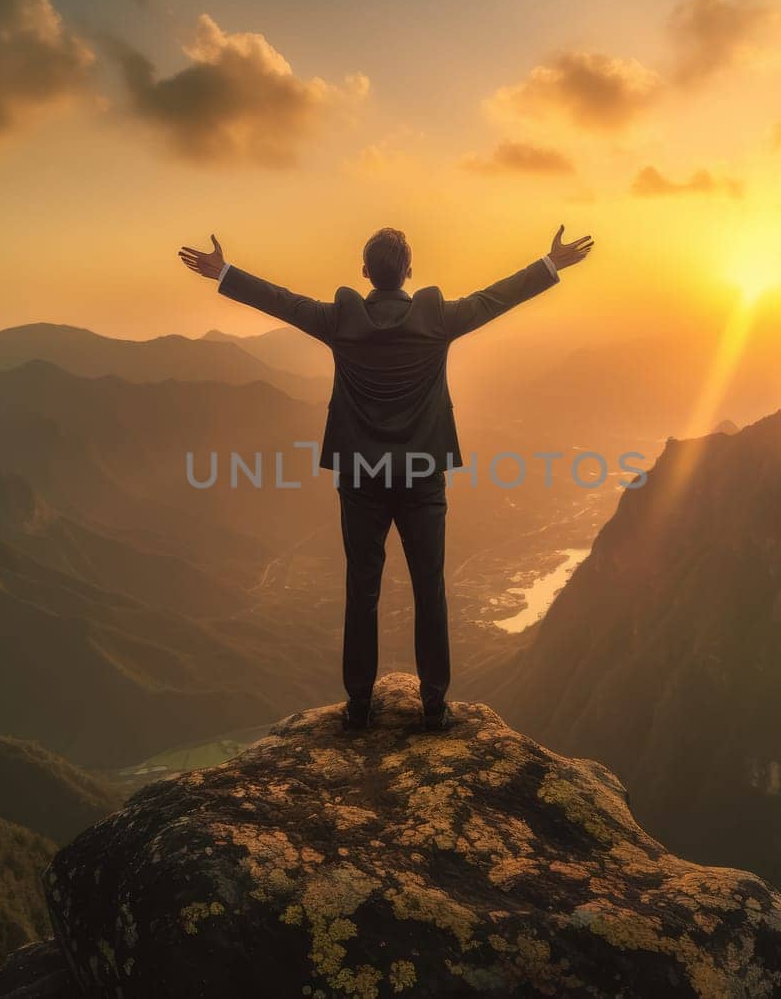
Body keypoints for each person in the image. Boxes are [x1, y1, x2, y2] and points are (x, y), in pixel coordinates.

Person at [179, 226, 594, 731]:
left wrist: (223, 271)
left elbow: (281, 302)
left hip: (361, 477)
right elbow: (494, 298)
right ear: (410, 271)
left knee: (362, 589)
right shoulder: (436, 318)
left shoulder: (341, 320)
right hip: (423, 477)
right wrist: (550, 264)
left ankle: (358, 707)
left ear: (364, 271)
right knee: (430, 589)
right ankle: (434, 707)